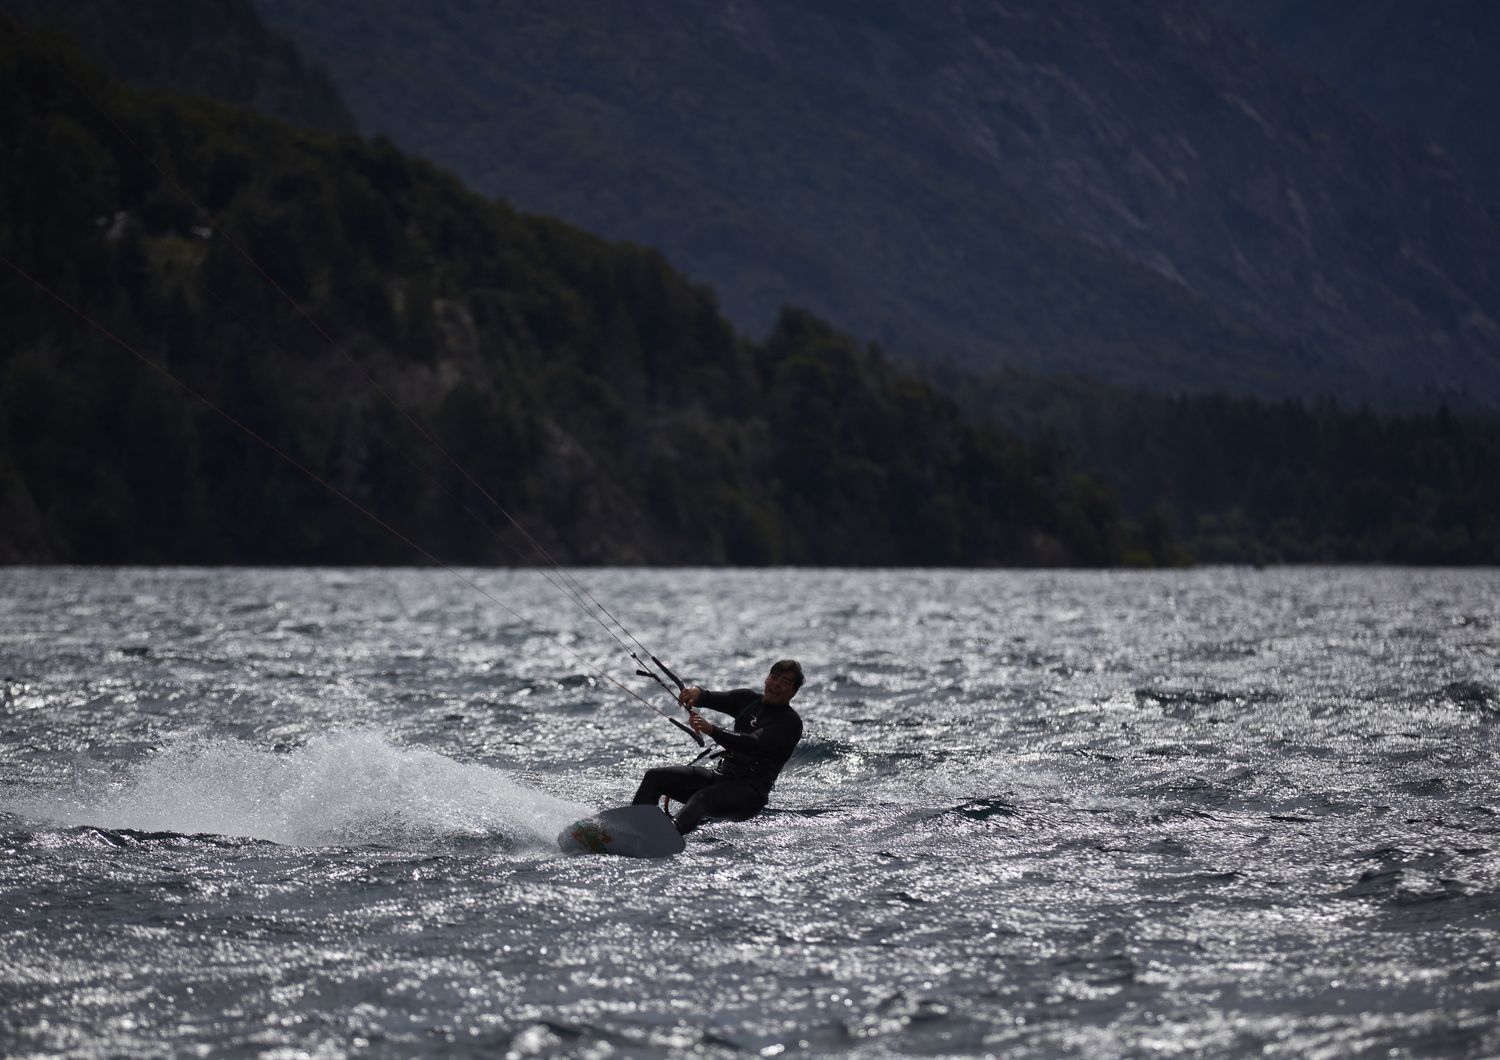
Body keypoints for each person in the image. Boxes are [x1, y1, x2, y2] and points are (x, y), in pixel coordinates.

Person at [632, 659, 806, 835]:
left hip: (749, 793)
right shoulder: (748, 700)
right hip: (723, 777)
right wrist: (695, 693)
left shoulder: (789, 722)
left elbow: (752, 743)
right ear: (767, 679)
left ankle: (665, 837)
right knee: (655, 777)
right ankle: (634, 829)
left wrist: (712, 730)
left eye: (785, 682)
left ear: (793, 691)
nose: (776, 684)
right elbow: (709, 697)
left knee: (703, 798)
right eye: (774, 677)